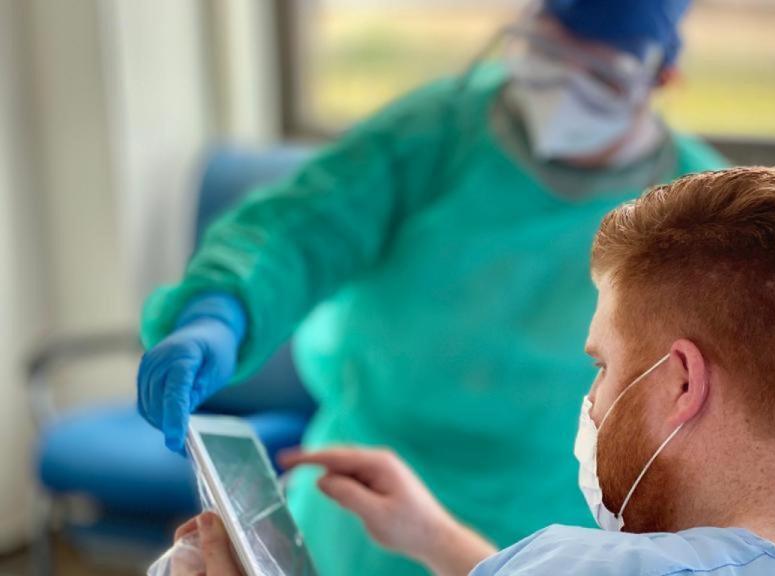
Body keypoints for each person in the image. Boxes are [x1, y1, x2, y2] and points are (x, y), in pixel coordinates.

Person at [135, 0, 726, 573]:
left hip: (549, 529)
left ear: (662, 78)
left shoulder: (700, 215)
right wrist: (221, 309)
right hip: (358, 505)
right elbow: (301, 227)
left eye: (598, 72)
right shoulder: (440, 133)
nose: (563, 84)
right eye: (547, 51)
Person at [177, 167, 775, 575]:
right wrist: (434, 537)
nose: (591, 401)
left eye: (603, 366)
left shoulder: (573, 564)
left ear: (683, 383)